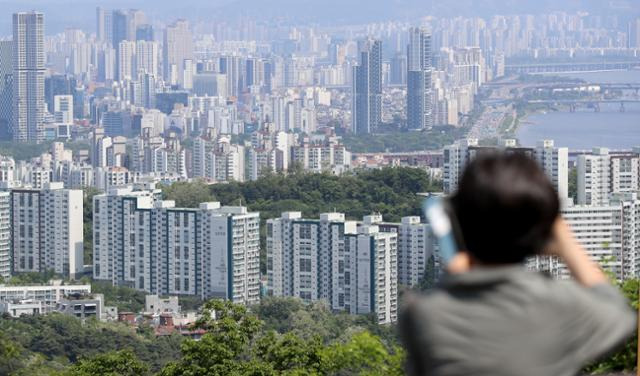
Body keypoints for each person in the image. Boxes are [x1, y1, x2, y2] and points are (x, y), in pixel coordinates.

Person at [400, 152, 636, 376]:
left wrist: (457, 276)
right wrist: (565, 243)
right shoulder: (561, 304)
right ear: (543, 233)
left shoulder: (423, 315)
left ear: (458, 223)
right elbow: (619, 314)